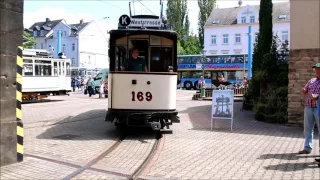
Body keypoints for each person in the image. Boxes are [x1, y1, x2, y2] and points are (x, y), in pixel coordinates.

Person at [299, 63, 320, 159]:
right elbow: (305, 89)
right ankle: (307, 148)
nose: (317, 71)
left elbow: (316, 97)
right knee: (307, 129)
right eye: (316, 69)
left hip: (318, 108)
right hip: (308, 107)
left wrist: (315, 98)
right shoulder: (311, 80)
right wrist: (303, 90)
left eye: (319, 69)